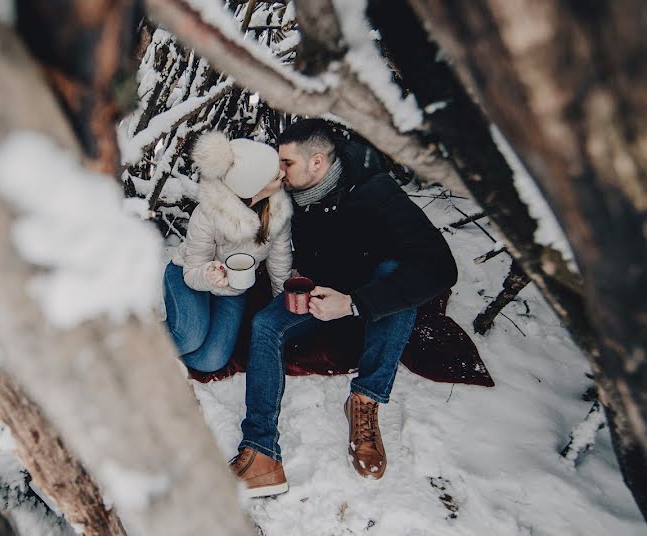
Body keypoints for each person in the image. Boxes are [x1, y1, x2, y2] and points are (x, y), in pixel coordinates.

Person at [230, 119, 458, 497]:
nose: (278, 170)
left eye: (286, 163)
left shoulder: (375, 192)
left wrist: (353, 303)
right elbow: (233, 217)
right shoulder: (290, 189)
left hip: (368, 299)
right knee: (265, 326)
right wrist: (258, 198)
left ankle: (365, 401)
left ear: (317, 162)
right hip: (316, 292)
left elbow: (440, 268)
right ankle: (261, 452)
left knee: (398, 278)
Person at [163, 131, 293, 373]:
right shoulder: (208, 213)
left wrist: (281, 305)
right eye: (274, 175)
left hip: (234, 287)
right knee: (189, 337)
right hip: (190, 274)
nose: (283, 173)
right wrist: (209, 275)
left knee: (209, 361)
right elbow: (192, 272)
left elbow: (279, 259)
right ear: (254, 187)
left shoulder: (278, 209)